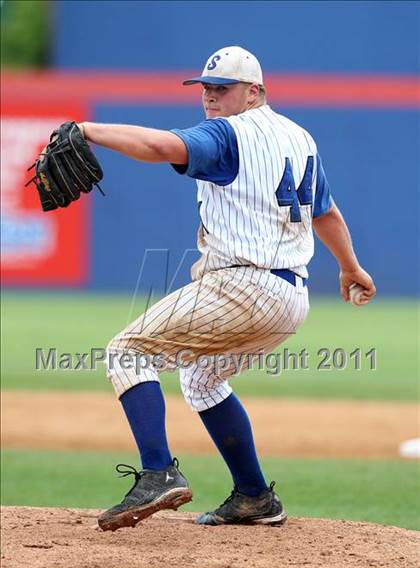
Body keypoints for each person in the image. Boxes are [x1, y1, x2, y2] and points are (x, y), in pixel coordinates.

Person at [77, 46, 376, 531]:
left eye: (224, 88)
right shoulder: (300, 137)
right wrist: (350, 266)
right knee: (201, 379)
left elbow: (158, 148)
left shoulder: (227, 133)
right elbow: (324, 211)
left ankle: (158, 473)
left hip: (242, 286)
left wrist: (89, 131)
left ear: (255, 91)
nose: (211, 97)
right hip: (289, 298)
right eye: (206, 89)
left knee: (127, 352)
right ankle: (255, 497)